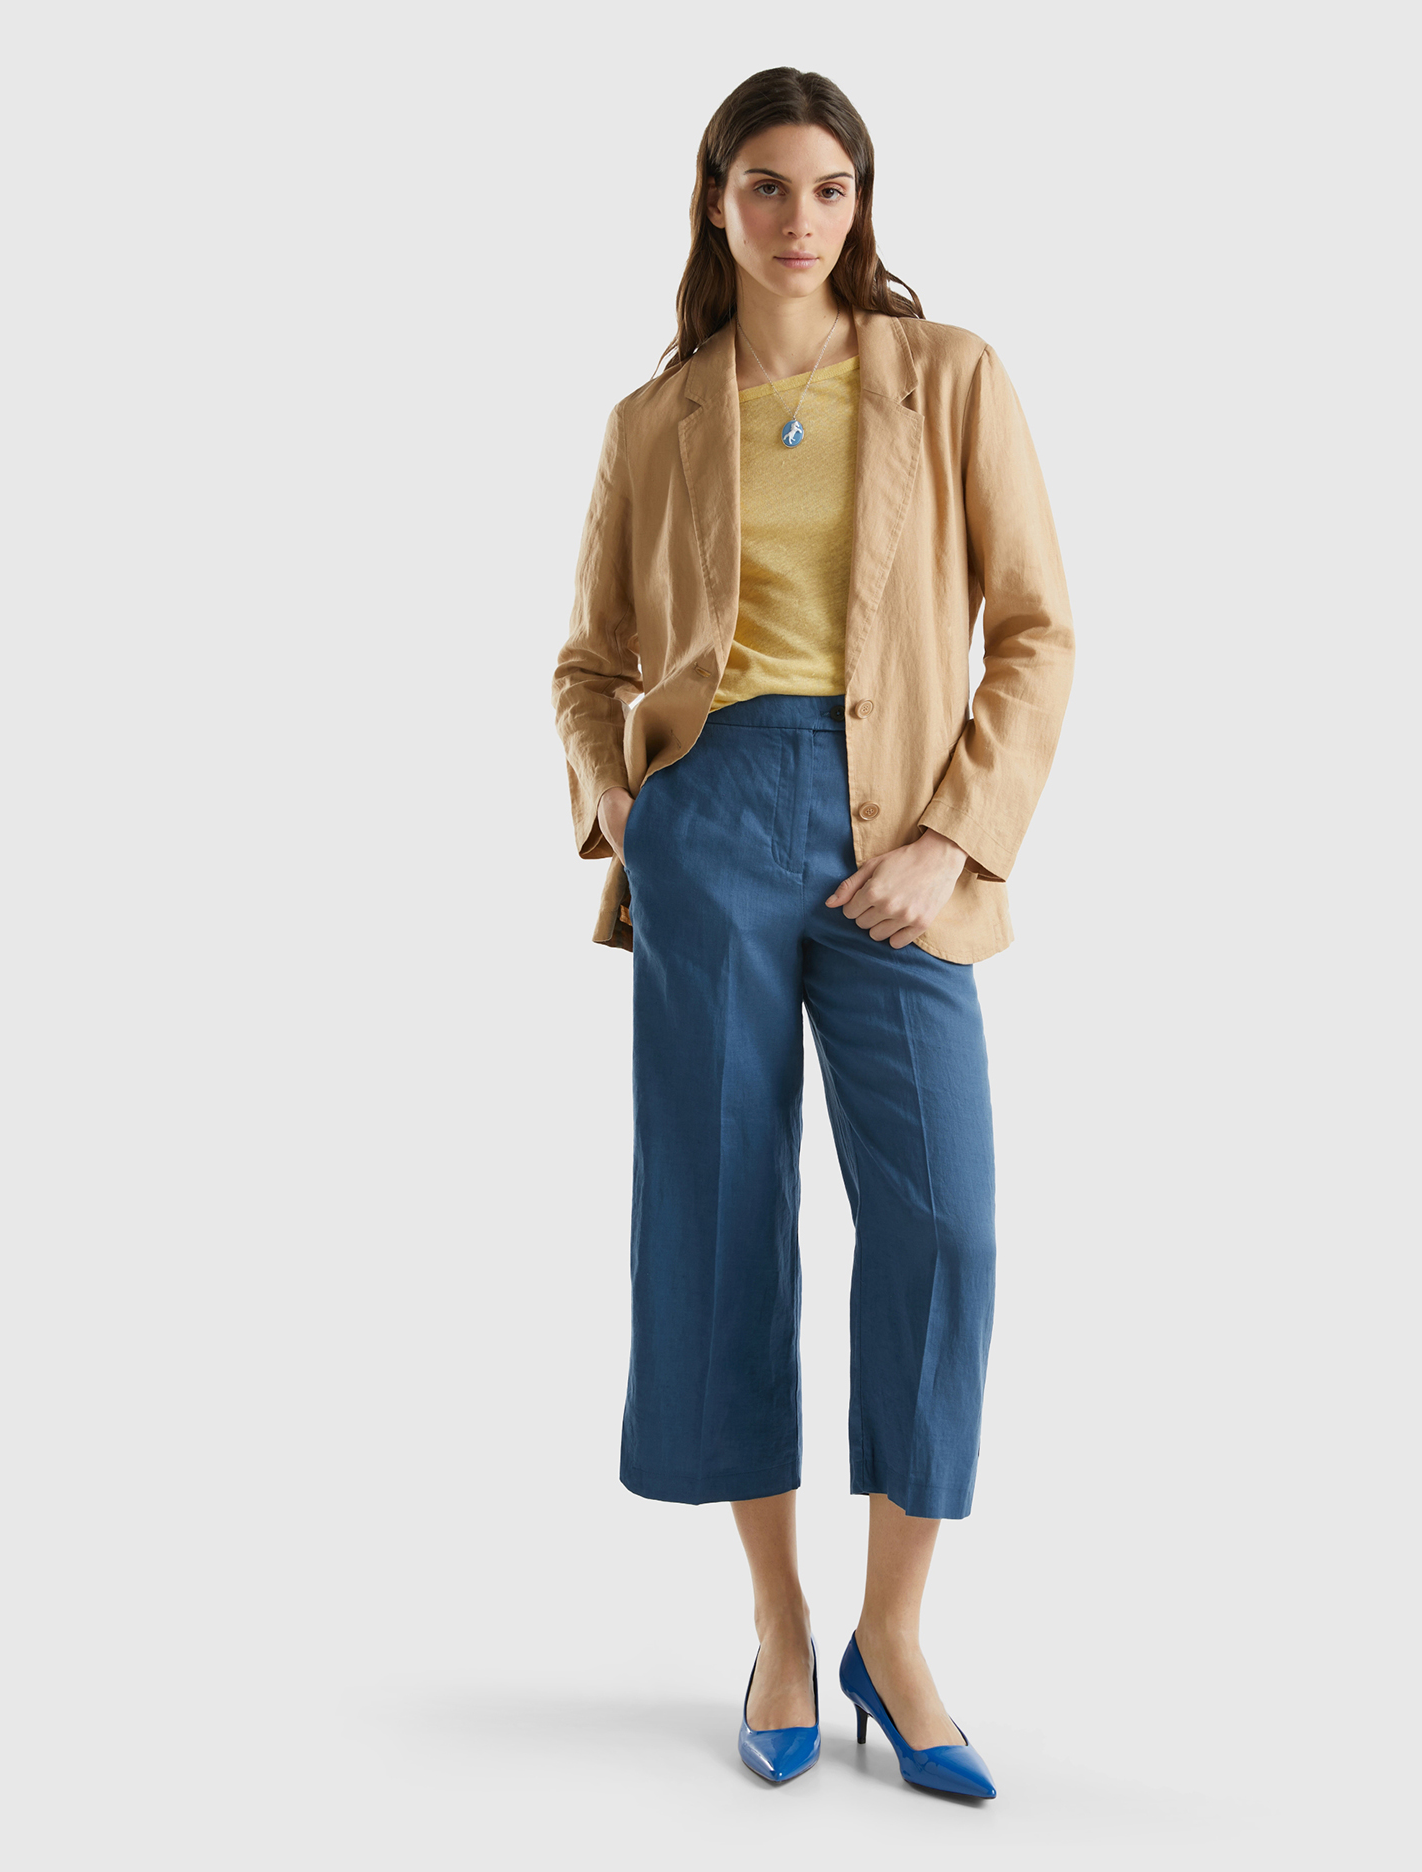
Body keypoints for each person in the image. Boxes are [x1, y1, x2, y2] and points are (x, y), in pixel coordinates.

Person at [549, 66, 1073, 1799]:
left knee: (948, 1224)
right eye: (767, 187)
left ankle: (893, 1636)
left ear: (863, 203)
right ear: (717, 200)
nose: (800, 220)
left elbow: (1037, 630)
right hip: (711, 825)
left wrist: (955, 837)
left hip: (898, 833)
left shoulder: (947, 376)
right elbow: (589, 664)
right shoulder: (656, 419)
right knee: (720, 1218)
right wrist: (630, 810)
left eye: (831, 189)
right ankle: (780, 1621)